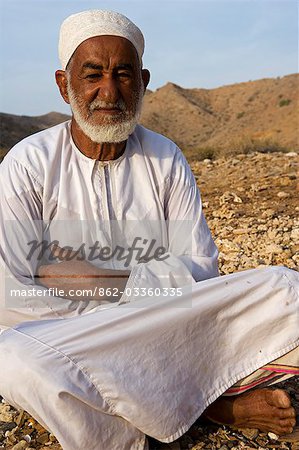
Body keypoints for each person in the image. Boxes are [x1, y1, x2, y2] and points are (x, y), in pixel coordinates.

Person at [0, 10, 298, 450]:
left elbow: (199, 269)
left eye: (123, 75)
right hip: (74, 336)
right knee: (15, 360)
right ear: (65, 85)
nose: (109, 91)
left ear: (143, 81)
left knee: (284, 286)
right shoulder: (28, 165)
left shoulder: (165, 157)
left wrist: (102, 283)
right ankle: (212, 403)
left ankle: (155, 400)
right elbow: (11, 290)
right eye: (93, 75)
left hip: (161, 322)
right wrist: (116, 309)